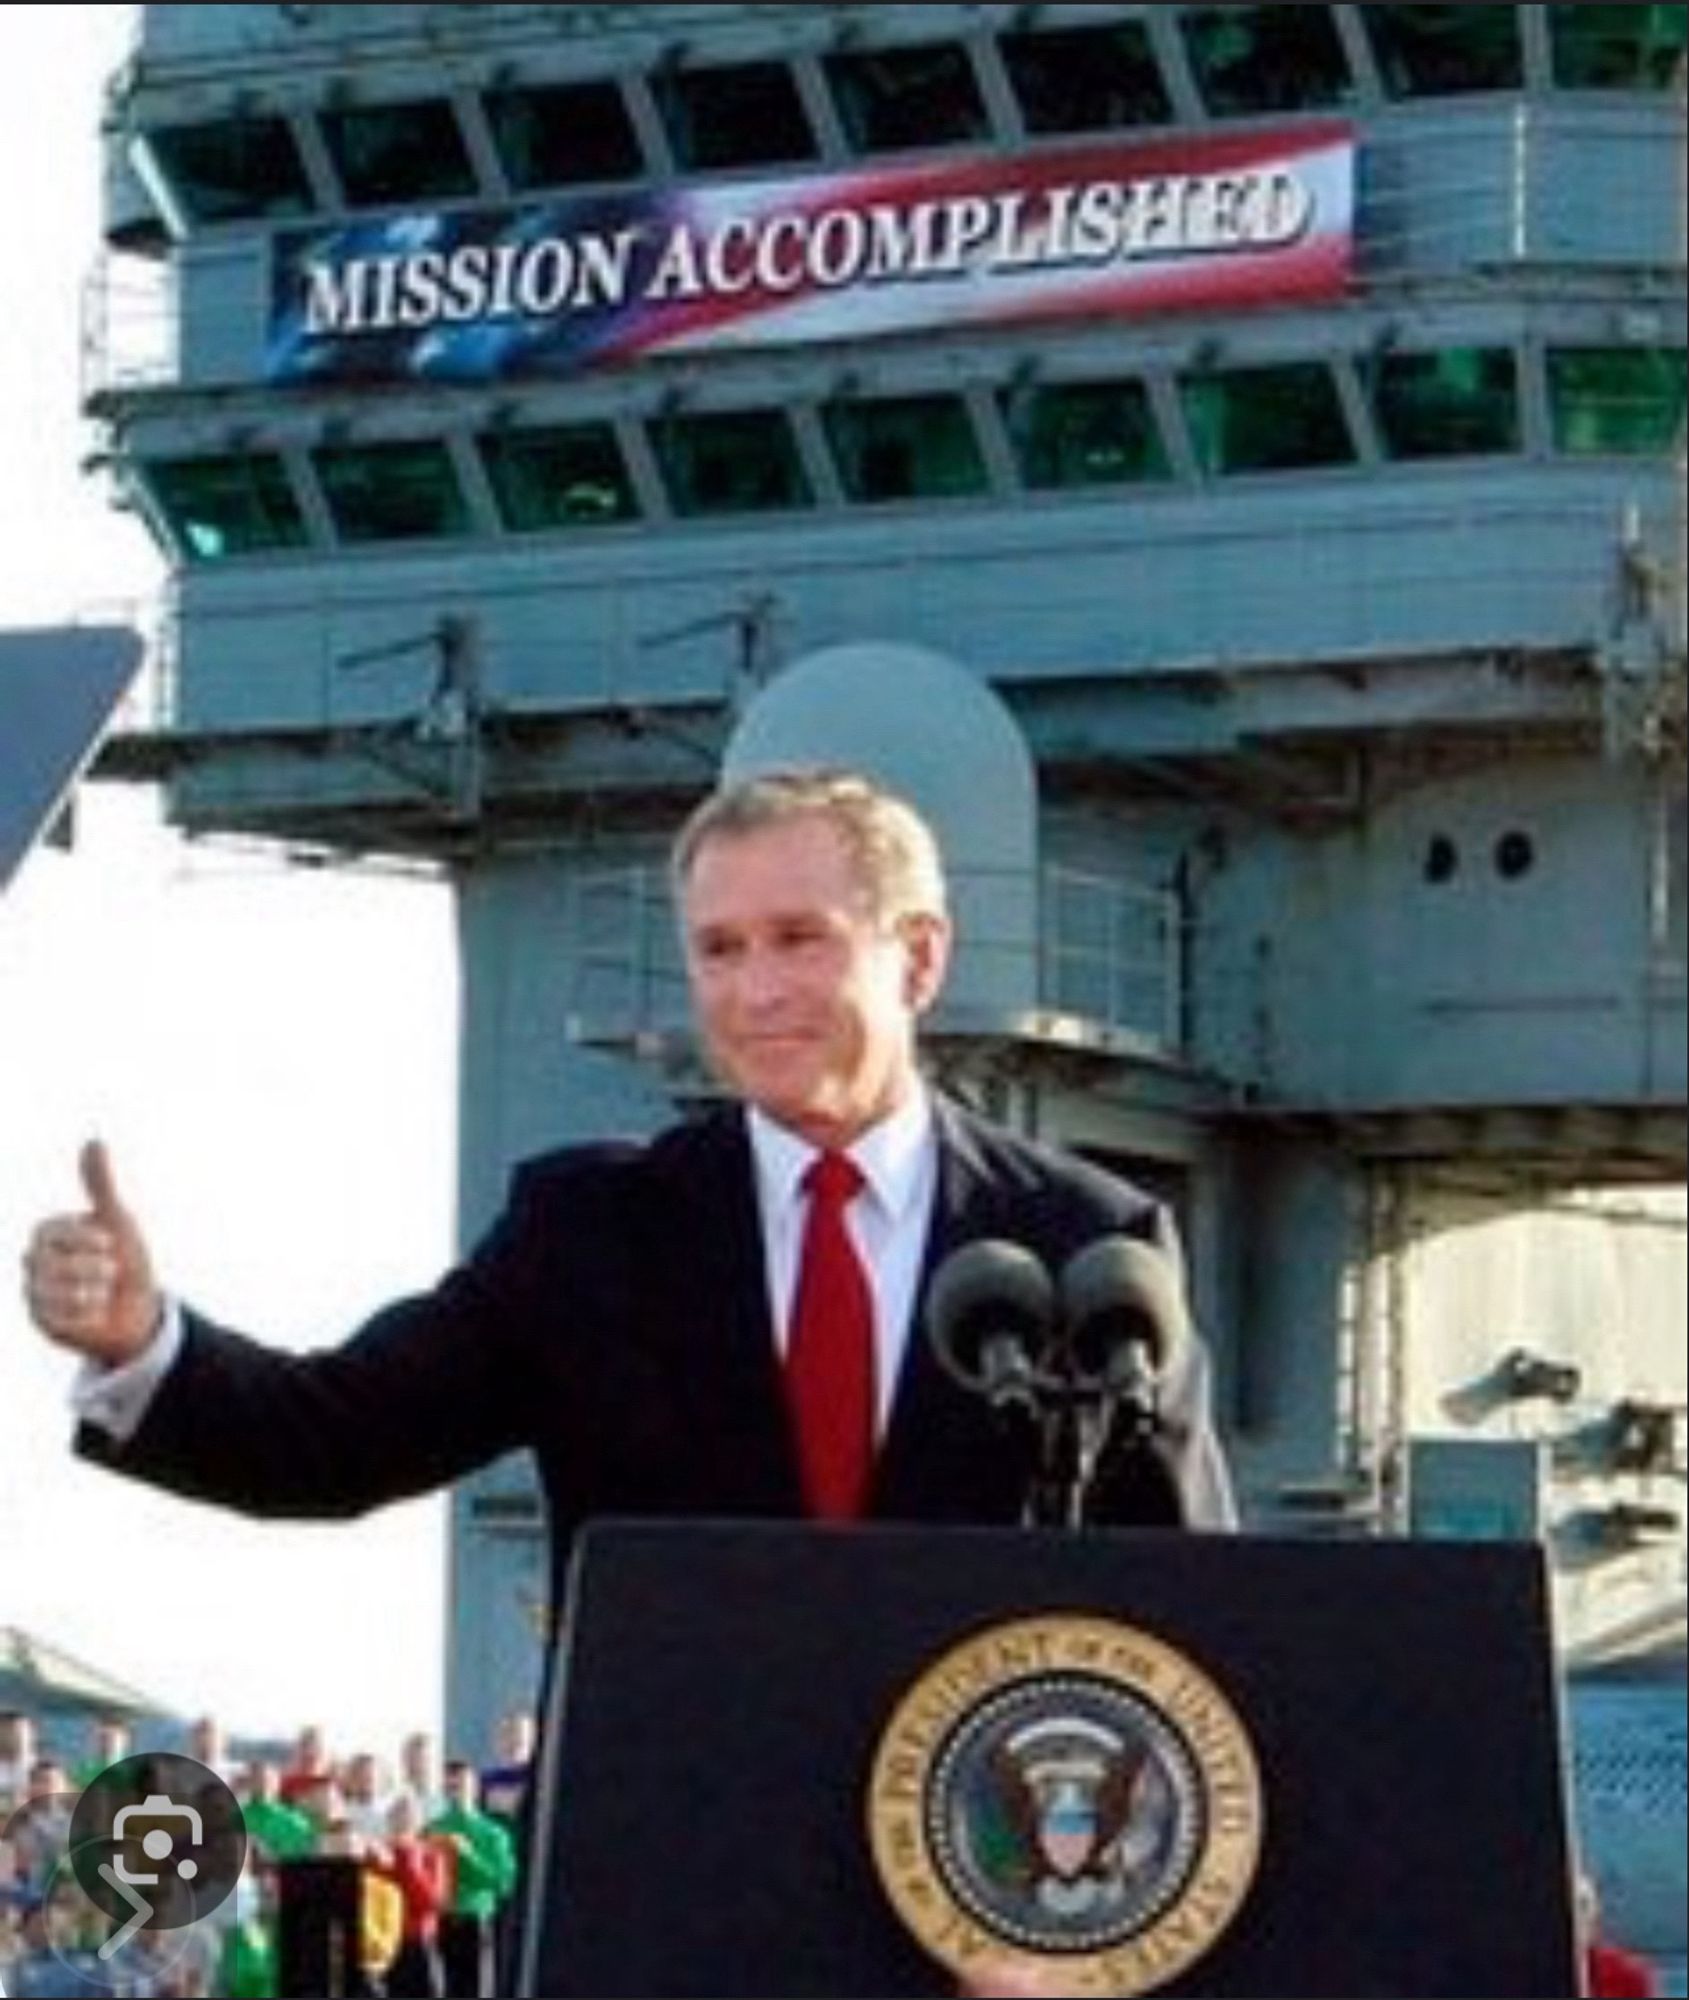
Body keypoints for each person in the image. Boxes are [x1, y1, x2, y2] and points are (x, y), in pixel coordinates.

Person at [21, 766, 1235, 1980]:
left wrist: (1095, 1929)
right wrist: (143, 1344)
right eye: (718, 949)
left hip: (988, 1920)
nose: (755, 990)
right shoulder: (588, 1227)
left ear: (918, 955)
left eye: (800, 940)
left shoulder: (1087, 1240)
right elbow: (334, 1434)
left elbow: (1191, 1611)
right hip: (658, 1898)